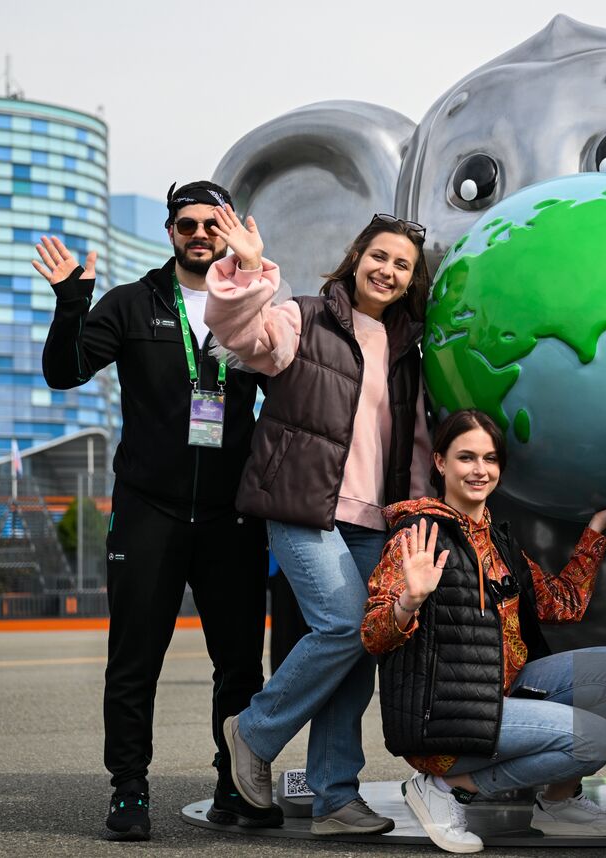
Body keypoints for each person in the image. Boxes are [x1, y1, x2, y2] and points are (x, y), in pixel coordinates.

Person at [37, 181, 272, 840]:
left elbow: (290, 379)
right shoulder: (132, 304)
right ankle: (129, 789)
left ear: (228, 231)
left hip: (231, 514)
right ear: (171, 231)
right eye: (186, 224)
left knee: (240, 664)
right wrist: (69, 304)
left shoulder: (250, 304)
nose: (198, 234)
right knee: (135, 658)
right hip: (149, 509)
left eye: (210, 224)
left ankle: (235, 782)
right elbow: (65, 372)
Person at [208, 207, 435, 834]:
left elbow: (414, 443)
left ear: (413, 280)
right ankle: (253, 732)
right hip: (303, 504)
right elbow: (243, 336)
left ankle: (335, 796)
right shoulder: (304, 317)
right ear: (357, 257)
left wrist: (414, 517)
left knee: (363, 646)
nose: (387, 270)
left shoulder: (408, 350)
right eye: (380, 256)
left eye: (402, 265)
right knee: (342, 625)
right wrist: (252, 268)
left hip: (375, 518)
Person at [362, 408, 606, 853]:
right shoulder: (418, 536)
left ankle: (559, 803)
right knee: (594, 739)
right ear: (440, 462)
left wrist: (598, 528)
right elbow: (372, 635)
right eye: (466, 458)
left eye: (490, 458)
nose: (480, 470)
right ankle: (449, 788)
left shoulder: (497, 542)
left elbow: (562, 604)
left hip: (499, 696)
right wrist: (409, 601)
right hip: (443, 718)